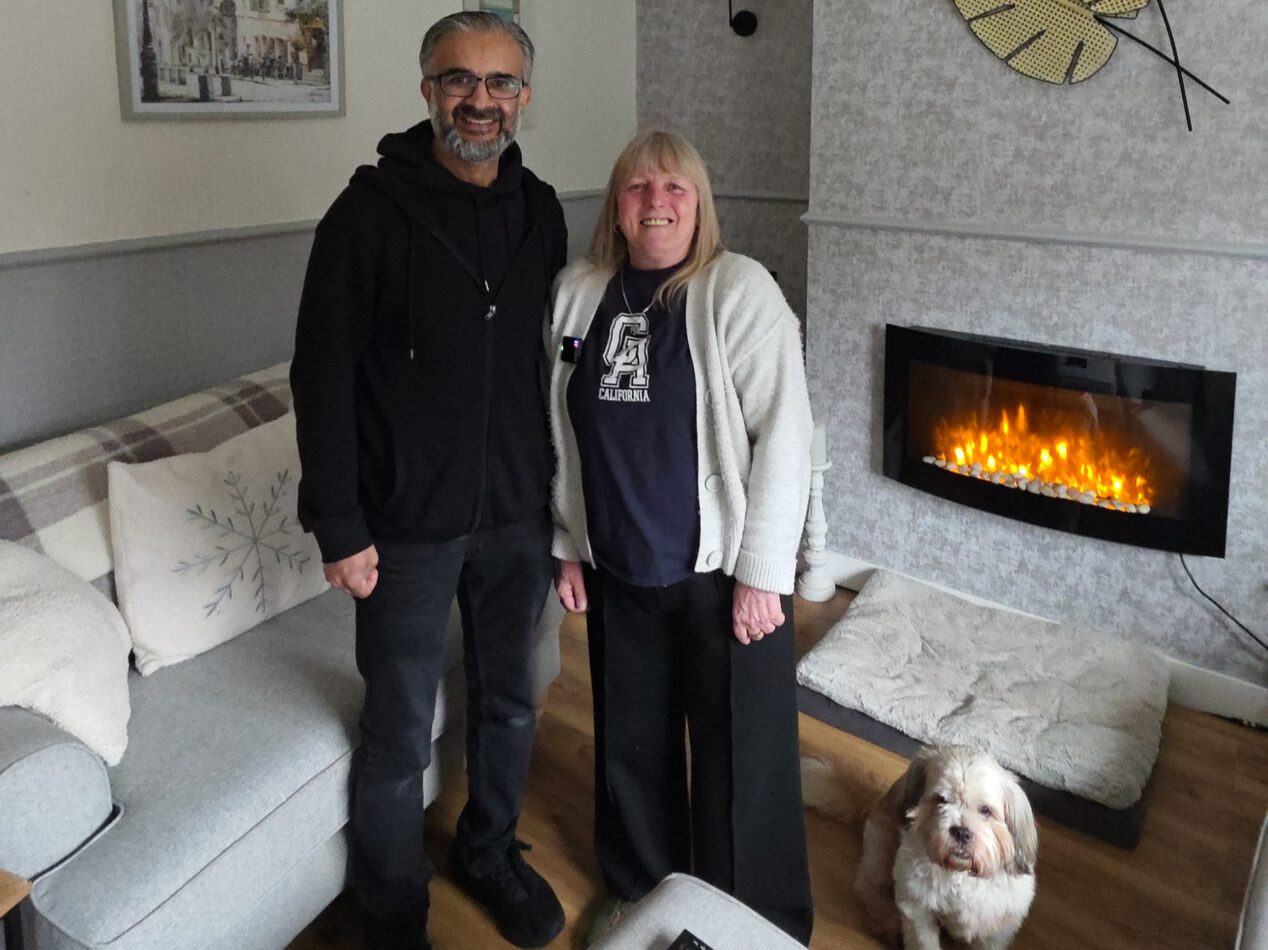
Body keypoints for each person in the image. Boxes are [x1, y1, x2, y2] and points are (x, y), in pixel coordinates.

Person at [290, 12, 568, 950]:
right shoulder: (366, 213)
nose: (479, 101)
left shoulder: (541, 212)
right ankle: (392, 906)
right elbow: (319, 374)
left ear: (523, 96)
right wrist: (338, 522)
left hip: (518, 514)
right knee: (400, 733)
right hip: (404, 526)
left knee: (508, 701)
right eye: (459, 80)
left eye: (500, 83)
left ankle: (488, 853)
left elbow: (553, 371)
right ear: (426, 91)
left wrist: (566, 517)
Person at [548, 131, 815, 944]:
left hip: (725, 575)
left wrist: (763, 573)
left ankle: (752, 922)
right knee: (632, 747)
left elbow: (788, 433)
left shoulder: (739, 290)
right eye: (636, 188)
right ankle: (639, 889)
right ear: (616, 208)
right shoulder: (577, 292)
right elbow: (557, 430)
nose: (655, 201)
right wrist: (568, 541)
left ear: (699, 205)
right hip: (621, 565)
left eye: (675, 187)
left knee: (745, 761)